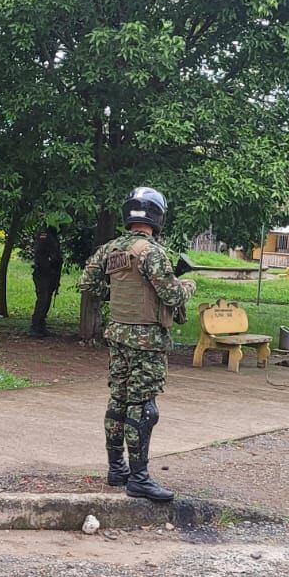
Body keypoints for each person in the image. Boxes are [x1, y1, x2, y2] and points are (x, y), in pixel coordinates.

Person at [78, 187, 194, 502]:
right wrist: (188, 285)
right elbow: (172, 296)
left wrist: (114, 293)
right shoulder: (152, 253)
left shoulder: (110, 249)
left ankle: (117, 469)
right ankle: (139, 478)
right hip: (147, 341)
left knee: (118, 400)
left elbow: (86, 283)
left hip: (118, 336)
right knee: (143, 407)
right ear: (157, 218)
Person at [29, 226, 64, 337]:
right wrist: (49, 265)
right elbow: (41, 256)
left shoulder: (54, 235)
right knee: (43, 299)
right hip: (43, 273)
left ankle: (41, 325)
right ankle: (35, 326)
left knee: (47, 299)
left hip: (51, 274)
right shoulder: (44, 234)